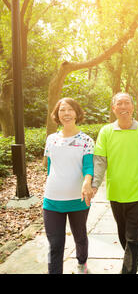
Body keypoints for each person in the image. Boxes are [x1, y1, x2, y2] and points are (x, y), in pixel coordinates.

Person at [92, 92, 138, 274]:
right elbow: (100, 161)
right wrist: (94, 185)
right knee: (123, 235)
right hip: (116, 194)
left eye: (127, 103)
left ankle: (128, 269)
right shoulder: (106, 132)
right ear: (114, 108)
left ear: (133, 107)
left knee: (132, 237)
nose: (123, 107)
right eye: (119, 104)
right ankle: (133, 258)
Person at [43, 97, 95, 274]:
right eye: (62, 110)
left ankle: (82, 263)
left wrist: (87, 183)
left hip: (78, 199)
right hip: (52, 200)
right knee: (55, 244)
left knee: (80, 237)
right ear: (57, 114)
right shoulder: (51, 139)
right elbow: (51, 167)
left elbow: (88, 166)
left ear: (76, 113)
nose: (66, 113)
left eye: (70, 109)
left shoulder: (86, 140)